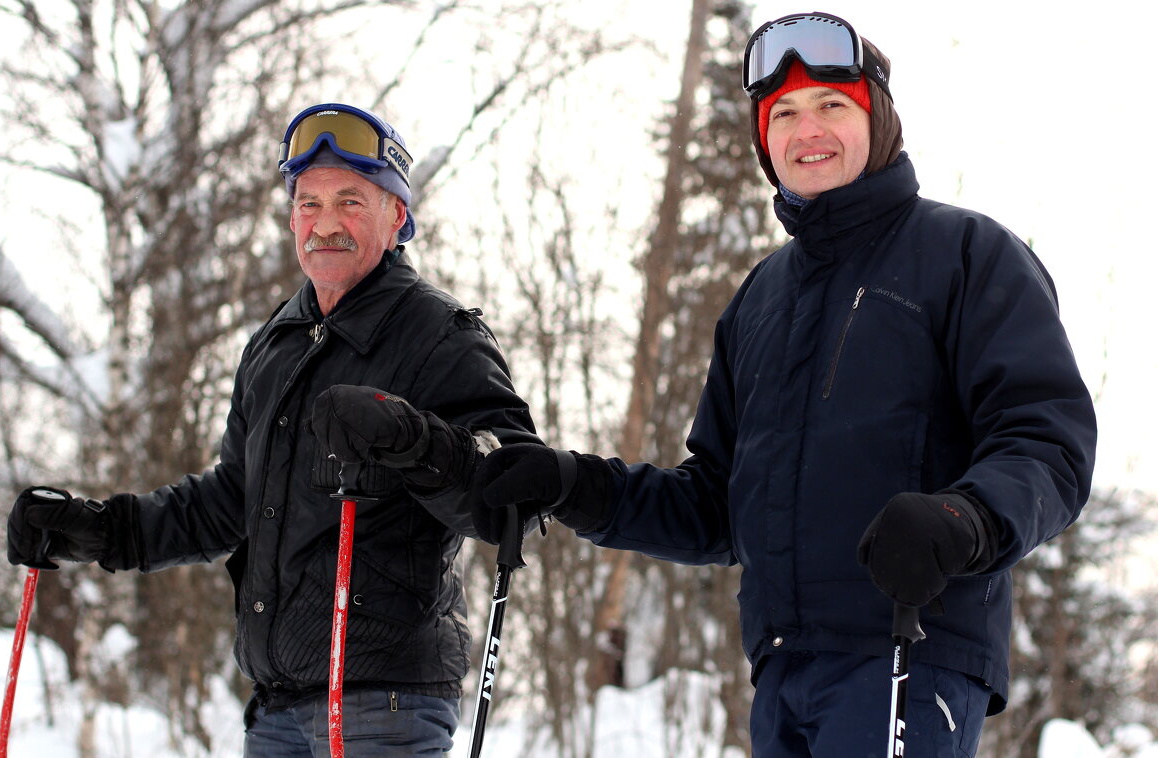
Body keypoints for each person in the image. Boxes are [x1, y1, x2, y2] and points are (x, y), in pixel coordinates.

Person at [463, 12, 1096, 757]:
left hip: (909, 653)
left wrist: (965, 517)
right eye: (783, 114)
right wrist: (576, 485)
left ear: (879, 118)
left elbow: (1048, 444)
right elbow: (717, 506)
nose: (807, 131)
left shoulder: (967, 253)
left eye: (832, 105)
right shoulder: (760, 298)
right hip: (782, 672)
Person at [6, 103, 539, 757]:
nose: (324, 225)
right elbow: (232, 502)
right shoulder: (275, 346)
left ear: (396, 216)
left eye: (350, 202)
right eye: (309, 204)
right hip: (276, 708)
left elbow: (515, 489)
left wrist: (411, 439)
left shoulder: (440, 334)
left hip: (384, 705)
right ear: (292, 218)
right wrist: (104, 530)